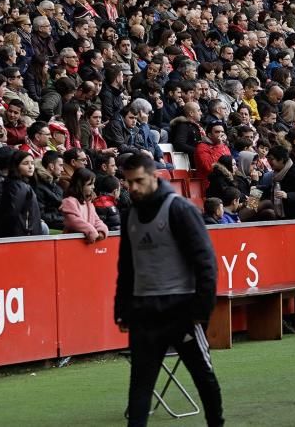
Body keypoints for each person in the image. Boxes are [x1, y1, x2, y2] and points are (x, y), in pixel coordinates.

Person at [115, 153, 223, 427]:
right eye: (129, 183)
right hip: (144, 312)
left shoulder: (180, 209)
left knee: (203, 376)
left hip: (181, 309)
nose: (134, 188)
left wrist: (201, 310)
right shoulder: (130, 215)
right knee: (139, 385)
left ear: (155, 176)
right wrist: (122, 309)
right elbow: (126, 267)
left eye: (139, 181)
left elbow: (206, 262)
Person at [0, 150, 44, 237]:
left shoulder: (21, 184)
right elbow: (12, 215)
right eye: (25, 163)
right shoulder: (18, 186)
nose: (30, 167)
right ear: (16, 166)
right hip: (23, 236)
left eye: (32, 163)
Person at [60, 167, 108, 242]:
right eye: (90, 184)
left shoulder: (88, 203)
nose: (93, 187)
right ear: (80, 186)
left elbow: (96, 220)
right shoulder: (69, 202)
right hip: (71, 244)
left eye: (93, 184)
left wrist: (102, 229)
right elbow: (74, 221)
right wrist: (91, 231)